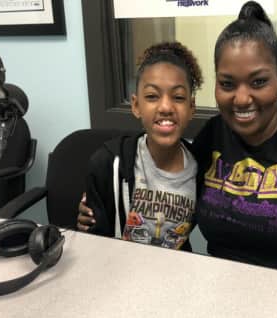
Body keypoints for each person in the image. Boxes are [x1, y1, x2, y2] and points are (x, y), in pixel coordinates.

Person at [79, 1, 277, 289]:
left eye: (258, 82)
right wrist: (102, 202)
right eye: (227, 84)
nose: (241, 99)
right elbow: (173, 187)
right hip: (226, 294)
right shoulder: (214, 135)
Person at [81, 41, 203, 250]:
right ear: (136, 105)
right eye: (152, 96)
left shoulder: (202, 169)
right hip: (118, 266)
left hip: (174, 268)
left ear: (191, 107)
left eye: (178, 97)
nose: (166, 107)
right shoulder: (108, 163)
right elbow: (93, 236)